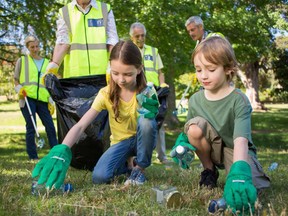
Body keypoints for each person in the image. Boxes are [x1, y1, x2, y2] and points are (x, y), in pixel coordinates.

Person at [32, 40, 159, 188]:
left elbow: (149, 127)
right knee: (100, 177)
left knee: (147, 121)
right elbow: (80, 125)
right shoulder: (106, 94)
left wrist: (151, 112)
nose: (121, 80)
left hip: (141, 140)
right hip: (120, 143)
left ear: (139, 69)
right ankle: (127, 166)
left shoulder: (146, 92)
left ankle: (139, 169)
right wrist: (63, 148)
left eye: (127, 74)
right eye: (115, 73)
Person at [171, 37, 270, 214]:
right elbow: (190, 130)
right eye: (198, 69)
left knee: (251, 185)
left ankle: (237, 174)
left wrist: (239, 173)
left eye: (210, 69)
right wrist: (181, 144)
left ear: (228, 68)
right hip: (212, 148)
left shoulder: (239, 100)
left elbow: (241, 140)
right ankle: (209, 171)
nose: (203, 75)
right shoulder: (194, 100)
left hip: (235, 149)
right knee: (194, 126)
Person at [44, 0, 119, 78]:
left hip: (103, 74)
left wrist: (114, 65)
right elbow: (62, 42)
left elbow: (113, 40)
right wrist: (53, 67)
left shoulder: (105, 9)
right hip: (74, 77)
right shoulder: (65, 12)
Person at [129, 22, 169, 164]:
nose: (140, 38)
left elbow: (160, 71)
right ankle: (138, 156)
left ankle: (162, 156)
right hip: (136, 92)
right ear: (131, 37)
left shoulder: (153, 51)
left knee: (158, 123)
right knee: (139, 123)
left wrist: (162, 84)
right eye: (137, 36)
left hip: (154, 92)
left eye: (143, 35)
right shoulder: (129, 51)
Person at [14, 35, 58, 160]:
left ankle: (55, 154)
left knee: (50, 126)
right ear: (27, 47)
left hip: (43, 100)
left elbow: (49, 83)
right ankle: (33, 156)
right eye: (32, 47)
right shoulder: (22, 61)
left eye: (37, 46)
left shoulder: (46, 63)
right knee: (31, 127)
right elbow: (16, 80)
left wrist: (51, 99)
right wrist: (19, 89)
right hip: (27, 99)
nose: (35, 49)